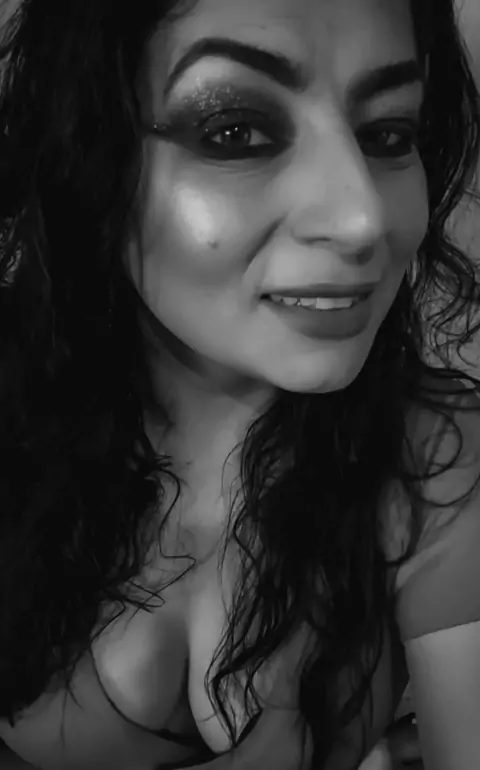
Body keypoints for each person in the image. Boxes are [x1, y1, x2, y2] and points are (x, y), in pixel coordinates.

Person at [0, 0, 479, 768]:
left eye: (388, 134)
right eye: (235, 132)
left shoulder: (441, 458)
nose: (362, 218)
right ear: (86, 152)